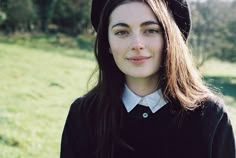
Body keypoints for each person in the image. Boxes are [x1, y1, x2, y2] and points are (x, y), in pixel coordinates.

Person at [60, 0, 236, 157]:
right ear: (108, 44)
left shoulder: (210, 116)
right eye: (122, 32)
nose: (137, 44)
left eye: (151, 30)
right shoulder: (83, 115)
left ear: (169, 38)